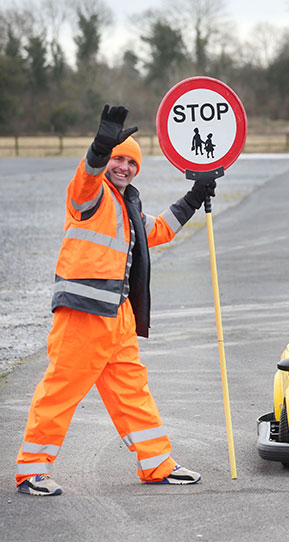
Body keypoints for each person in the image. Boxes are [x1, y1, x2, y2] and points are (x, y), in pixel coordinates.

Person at [15, 105, 216, 496]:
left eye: (129, 161)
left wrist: (193, 197)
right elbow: (86, 177)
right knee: (60, 391)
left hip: (118, 316)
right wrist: (98, 149)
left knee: (132, 392)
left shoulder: (129, 206)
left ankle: (156, 463)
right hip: (83, 315)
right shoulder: (88, 196)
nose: (122, 166)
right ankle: (32, 469)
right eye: (116, 159)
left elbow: (157, 230)